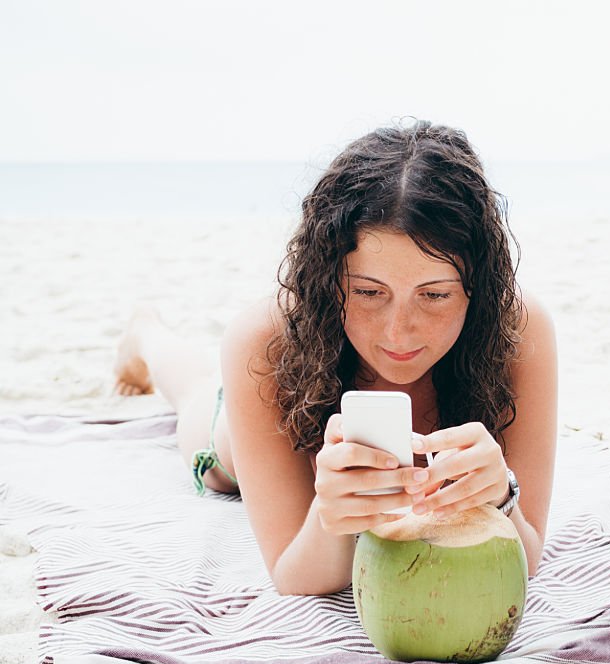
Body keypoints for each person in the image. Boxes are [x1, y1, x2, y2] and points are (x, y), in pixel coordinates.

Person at [112, 120, 558, 596]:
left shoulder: (517, 329)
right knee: (195, 393)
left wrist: (502, 497)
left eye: (435, 295)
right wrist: (331, 520)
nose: (398, 331)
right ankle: (145, 333)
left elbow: (526, 559)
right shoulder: (264, 340)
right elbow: (292, 577)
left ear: (478, 288)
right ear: (327, 278)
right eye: (368, 291)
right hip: (225, 442)